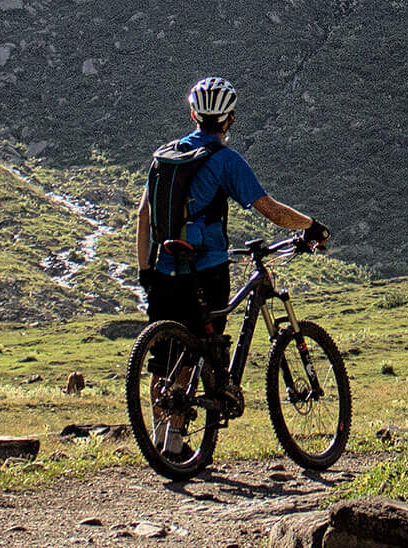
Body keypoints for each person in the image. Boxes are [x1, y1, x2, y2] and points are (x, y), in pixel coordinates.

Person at [136, 75, 328, 456]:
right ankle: (176, 442)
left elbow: (143, 216)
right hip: (205, 269)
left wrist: (145, 272)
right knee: (198, 348)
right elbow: (270, 210)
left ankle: (162, 439)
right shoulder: (225, 160)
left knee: (163, 358)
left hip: (161, 270)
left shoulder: (164, 157)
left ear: (193, 114)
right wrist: (311, 225)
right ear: (230, 120)